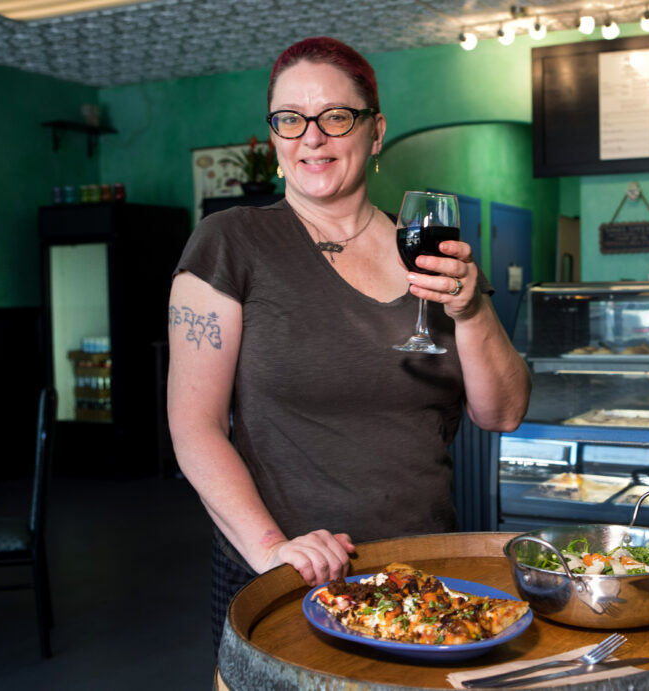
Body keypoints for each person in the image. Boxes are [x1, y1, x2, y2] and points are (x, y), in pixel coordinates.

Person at [166, 36, 531, 654]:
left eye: (335, 117)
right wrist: (273, 550)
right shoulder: (231, 241)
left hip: (423, 570)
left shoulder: (431, 254)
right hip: (288, 575)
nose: (312, 138)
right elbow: (193, 426)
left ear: (375, 132)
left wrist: (471, 310)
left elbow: (503, 413)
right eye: (290, 119)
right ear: (275, 135)